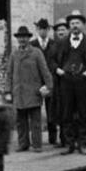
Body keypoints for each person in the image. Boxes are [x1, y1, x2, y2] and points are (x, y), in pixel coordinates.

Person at [50, 10, 86, 154]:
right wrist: (58, 70)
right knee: (66, 113)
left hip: (84, 83)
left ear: (83, 25)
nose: (74, 26)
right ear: (69, 26)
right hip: (66, 83)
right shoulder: (62, 43)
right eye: (72, 23)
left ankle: (82, 143)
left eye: (77, 23)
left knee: (83, 113)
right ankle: (69, 144)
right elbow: (51, 61)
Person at [3, 25, 52, 152]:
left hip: (33, 92)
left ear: (28, 38)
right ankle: (23, 144)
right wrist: (8, 91)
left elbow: (45, 71)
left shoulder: (36, 53)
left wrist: (49, 86)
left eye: (24, 37)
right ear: (17, 39)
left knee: (35, 121)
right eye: (20, 38)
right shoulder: (14, 54)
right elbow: (9, 74)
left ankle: (37, 145)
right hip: (18, 92)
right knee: (20, 121)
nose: (22, 40)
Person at [33, 18, 59, 146]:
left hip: (50, 82)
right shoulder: (32, 45)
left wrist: (50, 83)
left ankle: (52, 137)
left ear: (48, 30)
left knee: (51, 110)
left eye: (45, 29)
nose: (43, 32)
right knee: (35, 111)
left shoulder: (54, 44)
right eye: (40, 29)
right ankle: (36, 139)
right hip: (36, 82)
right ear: (37, 30)